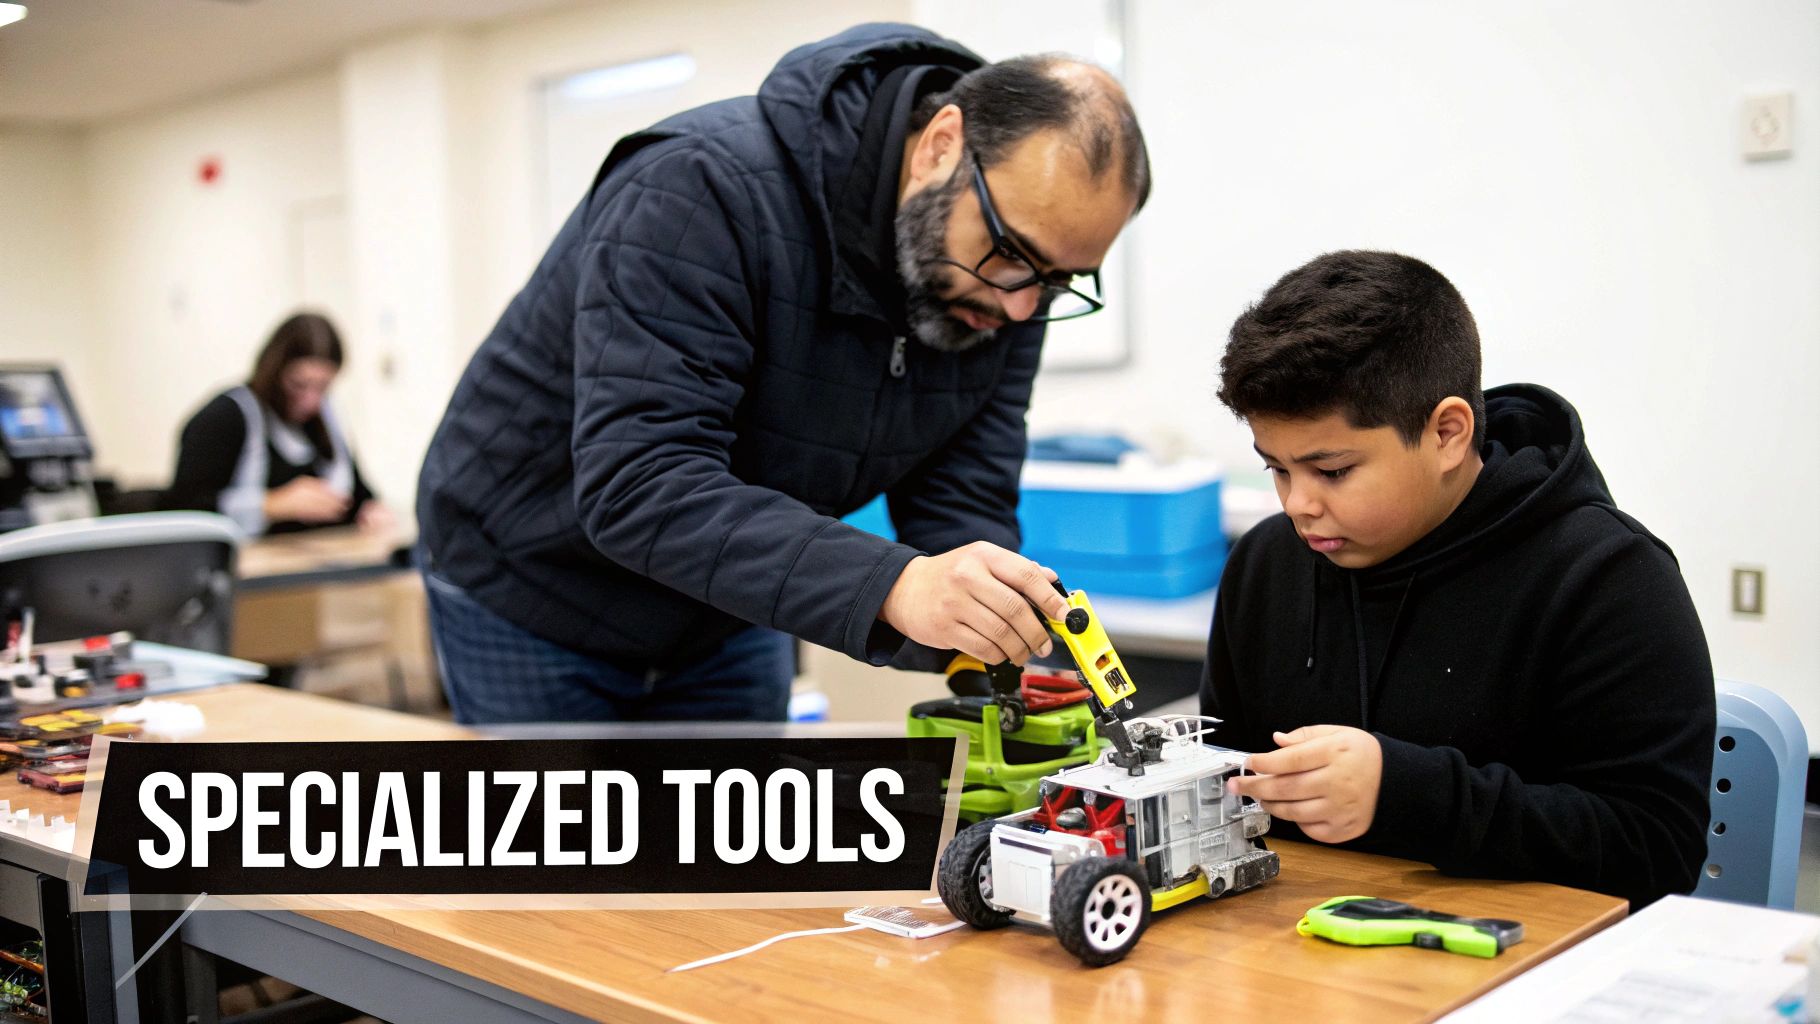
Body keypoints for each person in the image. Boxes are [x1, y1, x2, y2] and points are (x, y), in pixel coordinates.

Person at [416, 23, 1150, 724]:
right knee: (580, 848)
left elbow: (960, 492)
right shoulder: (698, 187)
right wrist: (894, 584)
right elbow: (641, 481)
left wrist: (983, 639)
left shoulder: (1001, 289)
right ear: (940, 146)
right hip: (534, 586)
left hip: (725, 603)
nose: (1023, 307)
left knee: (733, 846)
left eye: (1056, 281)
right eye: (1012, 254)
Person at [1204, 250, 1714, 907]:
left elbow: (1657, 850)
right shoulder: (1265, 565)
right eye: (1276, 468)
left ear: (1447, 432)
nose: (1298, 503)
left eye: (1330, 471)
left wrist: (1409, 796)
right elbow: (1223, 788)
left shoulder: (1607, 577)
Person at [166, 312, 393, 537]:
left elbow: (359, 492)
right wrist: (272, 504)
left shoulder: (325, 418)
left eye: (323, 387)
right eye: (299, 384)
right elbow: (184, 506)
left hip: (319, 557)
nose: (311, 400)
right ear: (274, 369)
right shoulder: (226, 415)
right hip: (250, 564)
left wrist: (370, 509)